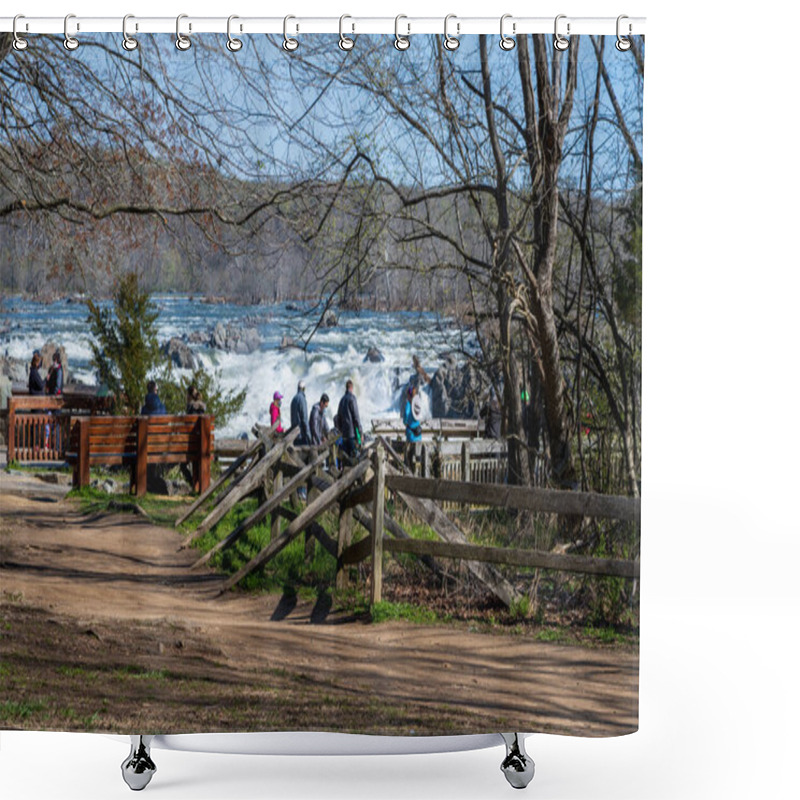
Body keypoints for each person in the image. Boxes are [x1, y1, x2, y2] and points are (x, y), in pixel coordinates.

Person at [336, 379, 362, 459]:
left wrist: (341, 430)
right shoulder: (352, 398)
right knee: (354, 458)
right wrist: (360, 432)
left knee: (346, 459)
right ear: (351, 388)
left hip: (344, 435)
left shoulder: (342, 400)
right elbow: (356, 417)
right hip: (352, 434)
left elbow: (338, 418)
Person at [403, 384, 423, 472]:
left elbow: (405, 418)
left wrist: (405, 421)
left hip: (411, 435)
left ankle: (408, 469)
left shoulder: (408, 404)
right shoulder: (417, 403)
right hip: (418, 435)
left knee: (407, 453)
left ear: (408, 395)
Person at [290, 380, 311, 446]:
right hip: (301, 435)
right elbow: (304, 419)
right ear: (304, 389)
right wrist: (308, 435)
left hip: (295, 434)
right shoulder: (302, 399)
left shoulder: (294, 399)